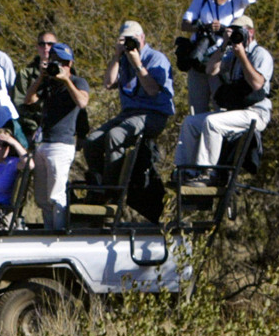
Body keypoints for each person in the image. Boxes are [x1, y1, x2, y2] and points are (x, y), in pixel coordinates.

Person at [173, 16, 272, 186]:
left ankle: (207, 173)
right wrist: (224, 44)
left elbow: (257, 83)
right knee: (191, 122)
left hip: (256, 112)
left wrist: (242, 56)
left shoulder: (260, 54)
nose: (237, 34)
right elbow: (211, 70)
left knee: (212, 122)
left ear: (251, 32)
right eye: (233, 30)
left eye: (240, 31)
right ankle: (185, 170)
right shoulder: (231, 54)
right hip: (236, 111)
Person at [83, 20, 174, 190]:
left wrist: (138, 64)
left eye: (133, 39)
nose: (130, 44)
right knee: (91, 141)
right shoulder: (123, 60)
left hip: (153, 113)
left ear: (142, 38)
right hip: (128, 113)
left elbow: (152, 90)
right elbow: (109, 84)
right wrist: (116, 56)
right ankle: (97, 182)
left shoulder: (156, 58)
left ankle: (110, 189)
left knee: (115, 135)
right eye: (125, 40)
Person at [180, 0, 264, 115]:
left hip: (223, 60)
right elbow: (185, 24)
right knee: (196, 110)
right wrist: (204, 27)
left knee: (222, 108)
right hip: (200, 58)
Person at [23, 42, 90, 231]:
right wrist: (41, 78)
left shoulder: (78, 82)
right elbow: (29, 100)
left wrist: (66, 80)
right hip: (42, 143)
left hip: (61, 144)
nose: (62, 67)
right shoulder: (48, 83)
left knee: (57, 195)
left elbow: (82, 102)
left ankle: (59, 234)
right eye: (58, 62)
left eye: (66, 63)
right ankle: (48, 231)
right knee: (42, 198)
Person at [12, 31, 58, 142]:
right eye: (42, 44)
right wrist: (34, 128)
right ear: (37, 47)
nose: (46, 47)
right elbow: (19, 104)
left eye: (50, 44)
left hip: (59, 129)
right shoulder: (25, 73)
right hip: (32, 130)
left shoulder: (66, 72)